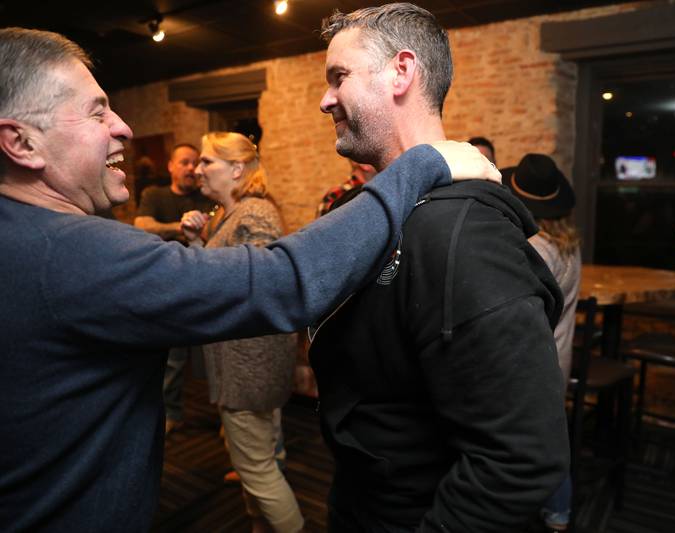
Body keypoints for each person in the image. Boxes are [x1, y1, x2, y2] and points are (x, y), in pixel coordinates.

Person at [0, 27, 498, 532]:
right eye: (97, 111)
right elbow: (281, 279)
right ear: (21, 142)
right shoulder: (66, 253)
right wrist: (423, 166)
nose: (124, 127)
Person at [309, 4, 569, 531]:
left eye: (339, 77)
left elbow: (519, 459)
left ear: (402, 71)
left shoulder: (467, 235)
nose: (324, 100)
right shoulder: (362, 215)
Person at [181, 132, 303, 533]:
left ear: (237, 169)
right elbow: (219, 279)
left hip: (249, 364)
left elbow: (260, 289)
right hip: (244, 361)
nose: (197, 170)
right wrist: (196, 242)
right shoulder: (230, 213)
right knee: (261, 462)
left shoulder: (254, 214)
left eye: (206, 162)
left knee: (259, 473)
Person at [503, 153, 581, 532]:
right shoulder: (568, 243)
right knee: (550, 438)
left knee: (527, 444)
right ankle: (558, 512)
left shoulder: (535, 249)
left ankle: (543, 511)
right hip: (558, 356)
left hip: (532, 362)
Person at [135, 143, 215, 435]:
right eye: (184, 162)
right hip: (167, 285)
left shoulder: (207, 195)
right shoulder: (154, 194)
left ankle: (230, 416)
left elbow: (214, 230)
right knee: (173, 358)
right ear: (170, 165)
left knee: (216, 353)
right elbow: (142, 224)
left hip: (204, 284)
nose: (191, 168)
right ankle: (172, 413)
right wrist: (180, 227)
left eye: (195, 163)